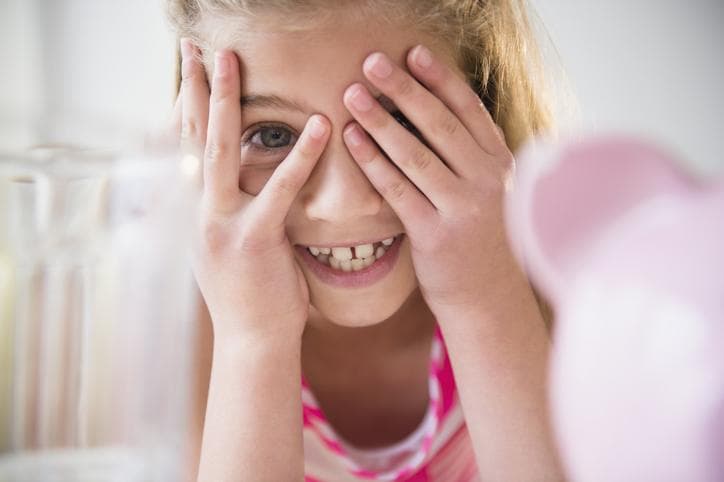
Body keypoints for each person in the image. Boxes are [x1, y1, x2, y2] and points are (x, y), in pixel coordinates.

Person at [165, 0, 567, 480]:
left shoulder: (571, 291)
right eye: (272, 136)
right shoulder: (172, 334)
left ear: (491, 113)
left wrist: (484, 296)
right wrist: (253, 338)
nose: (343, 205)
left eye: (398, 124)